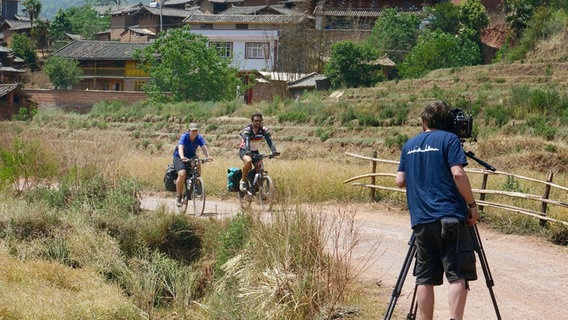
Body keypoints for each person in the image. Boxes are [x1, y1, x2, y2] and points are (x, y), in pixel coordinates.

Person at [395, 100, 479, 320]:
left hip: (421, 219)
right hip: (450, 216)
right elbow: (458, 174)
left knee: (425, 277)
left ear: (424, 121)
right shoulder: (450, 139)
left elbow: (400, 180)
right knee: (457, 274)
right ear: (448, 123)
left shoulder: (409, 144)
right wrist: (472, 205)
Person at [173, 122, 212, 206]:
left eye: (196, 131)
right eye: (192, 131)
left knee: (198, 164)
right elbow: (180, 147)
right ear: (189, 131)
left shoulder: (199, 137)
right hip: (179, 157)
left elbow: (204, 148)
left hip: (191, 156)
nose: (194, 132)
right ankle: (178, 196)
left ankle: (197, 184)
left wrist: (208, 156)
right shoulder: (184, 137)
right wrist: (182, 156)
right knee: (182, 173)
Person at [238, 113, 279, 192]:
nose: (258, 122)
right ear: (252, 121)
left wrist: (274, 151)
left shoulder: (263, 130)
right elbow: (247, 141)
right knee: (249, 161)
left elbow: (269, 141)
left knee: (259, 167)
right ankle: (242, 181)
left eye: (260, 121)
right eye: (256, 121)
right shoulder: (248, 130)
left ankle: (255, 186)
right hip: (244, 150)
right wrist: (247, 151)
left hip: (255, 151)